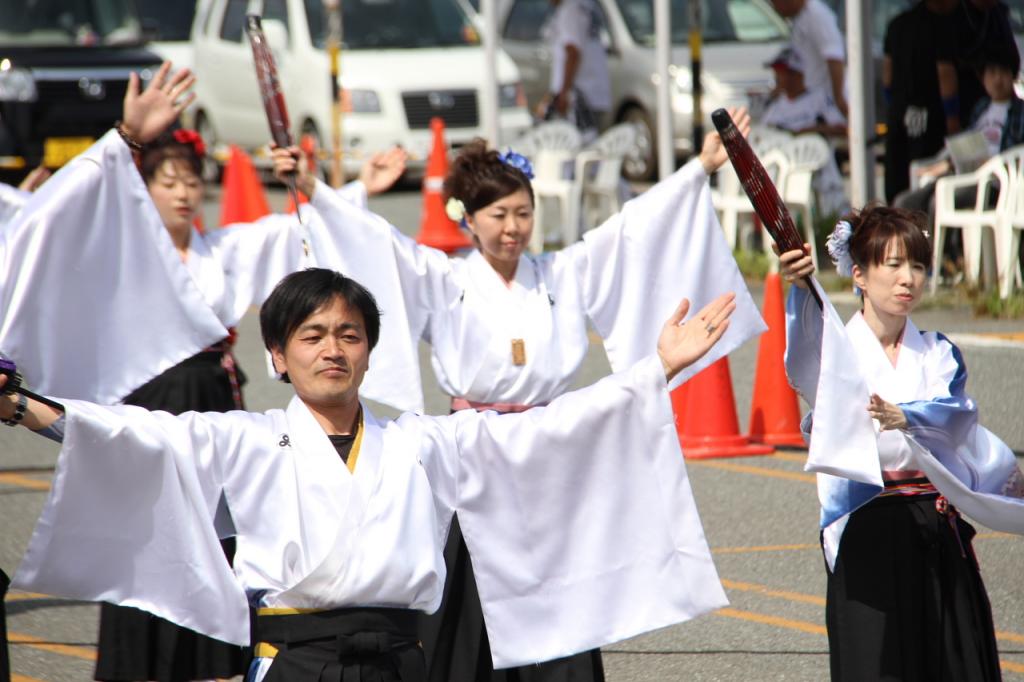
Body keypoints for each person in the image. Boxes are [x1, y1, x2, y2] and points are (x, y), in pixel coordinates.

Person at [2, 267, 739, 682]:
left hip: (399, 664)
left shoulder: (424, 443)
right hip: (293, 664)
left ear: (369, 351)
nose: (332, 350)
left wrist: (657, 369)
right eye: (312, 335)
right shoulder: (245, 439)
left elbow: (547, 432)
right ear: (278, 355)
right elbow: (138, 437)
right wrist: (23, 406)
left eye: (349, 335)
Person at [271, 107, 764, 679]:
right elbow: (375, 242)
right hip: (474, 452)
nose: (513, 227)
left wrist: (698, 168)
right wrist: (310, 186)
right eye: (498, 214)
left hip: (550, 446)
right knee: (472, 602)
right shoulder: (445, 278)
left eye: (524, 213)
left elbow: (633, 228)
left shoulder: (564, 272)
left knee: (561, 591)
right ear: (469, 220)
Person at [0, 62, 405, 682]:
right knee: (149, 514)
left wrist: (325, 189)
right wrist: (27, 406)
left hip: (214, 391)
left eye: (193, 181)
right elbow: (44, 233)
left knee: (225, 533)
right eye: (168, 181)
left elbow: (295, 236)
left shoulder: (224, 252)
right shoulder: (124, 254)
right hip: (153, 396)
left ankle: (218, 655)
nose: (185, 193)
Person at [777, 205, 1024, 680]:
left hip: (935, 526)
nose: (907, 278)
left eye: (917, 265)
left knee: (953, 663)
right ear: (860, 275)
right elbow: (806, 363)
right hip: (866, 525)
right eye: (891, 264)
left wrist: (906, 417)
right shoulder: (839, 351)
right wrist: (798, 287)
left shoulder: (937, 351)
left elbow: (957, 418)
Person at [893, 46, 1023, 280]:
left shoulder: (1019, 111)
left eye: (1002, 72)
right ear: (982, 78)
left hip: (996, 183)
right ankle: (906, 261)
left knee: (939, 200)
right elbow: (966, 145)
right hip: (963, 174)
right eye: (990, 73)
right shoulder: (981, 109)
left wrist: (991, 162)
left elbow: (1015, 154)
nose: (997, 79)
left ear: (1012, 73)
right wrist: (945, 164)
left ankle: (940, 265)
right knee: (905, 201)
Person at [882, 0, 961, 202]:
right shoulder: (941, 27)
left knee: (897, 181)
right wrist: (953, 120)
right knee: (925, 183)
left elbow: (887, 76)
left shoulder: (896, 25)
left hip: (899, 115)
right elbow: (945, 75)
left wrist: (896, 107)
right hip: (930, 119)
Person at [761, 45, 848, 215]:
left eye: (781, 72)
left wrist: (808, 131)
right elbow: (761, 137)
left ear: (797, 74)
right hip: (781, 170)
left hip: (817, 167)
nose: (777, 77)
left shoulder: (818, 99)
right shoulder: (776, 106)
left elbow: (842, 129)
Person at [537, 0, 611, 139]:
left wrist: (564, 93)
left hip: (579, 100)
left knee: (575, 150)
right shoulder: (586, 4)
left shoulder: (570, 9)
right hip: (593, 93)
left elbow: (573, 52)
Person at [769, 0, 847, 117]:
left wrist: (839, 99)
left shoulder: (817, 16)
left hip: (821, 103)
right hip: (806, 99)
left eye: (775, 3)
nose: (775, 8)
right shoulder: (800, 17)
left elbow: (835, 58)